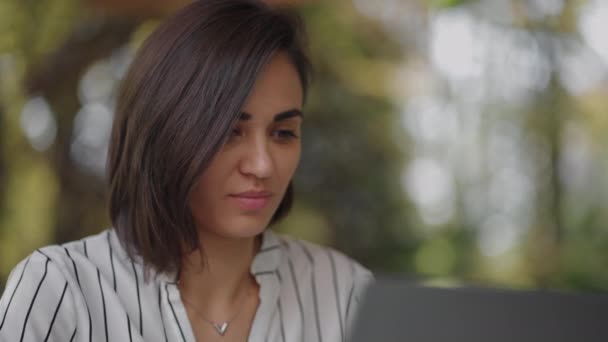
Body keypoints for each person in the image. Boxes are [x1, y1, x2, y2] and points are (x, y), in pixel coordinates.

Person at [0, 0, 373, 341]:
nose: (262, 165)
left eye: (283, 133)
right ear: (164, 133)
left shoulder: (348, 293)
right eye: (229, 132)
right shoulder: (60, 290)